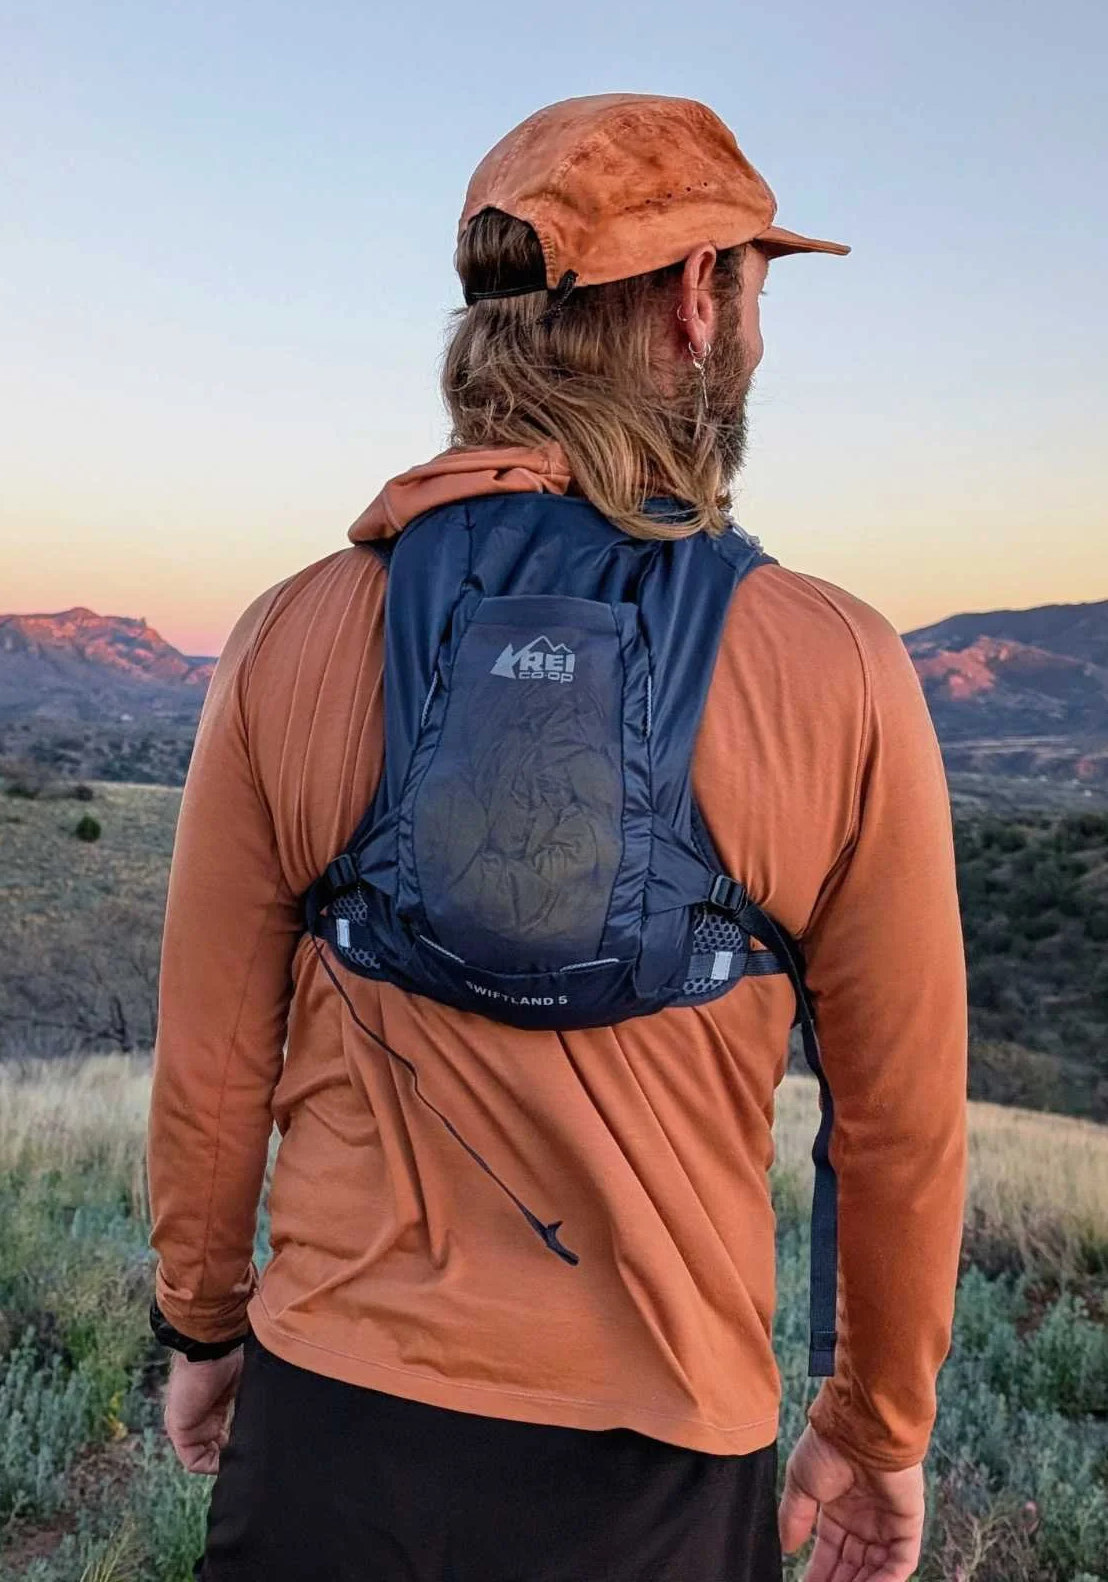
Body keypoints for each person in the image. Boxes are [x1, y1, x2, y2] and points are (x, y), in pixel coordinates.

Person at [145, 93, 967, 1582]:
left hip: (333, 1425)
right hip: (657, 1459)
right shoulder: (837, 666)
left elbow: (211, 1060)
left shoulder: (290, 635)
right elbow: (899, 1123)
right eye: (758, 287)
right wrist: (874, 1428)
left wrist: (202, 1324)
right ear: (701, 301)